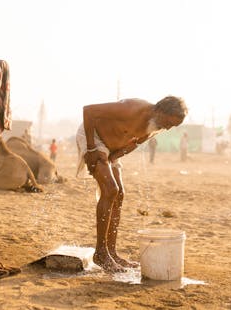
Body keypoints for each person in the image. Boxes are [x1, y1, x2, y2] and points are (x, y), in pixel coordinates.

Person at [76, 96, 187, 272]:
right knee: (111, 190)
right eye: (168, 122)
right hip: (94, 138)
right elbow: (88, 110)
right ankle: (101, 253)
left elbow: (136, 142)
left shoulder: (155, 126)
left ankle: (111, 252)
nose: (167, 128)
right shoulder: (132, 109)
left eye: (172, 126)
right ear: (161, 111)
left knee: (119, 194)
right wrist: (90, 148)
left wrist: (117, 155)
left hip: (112, 149)